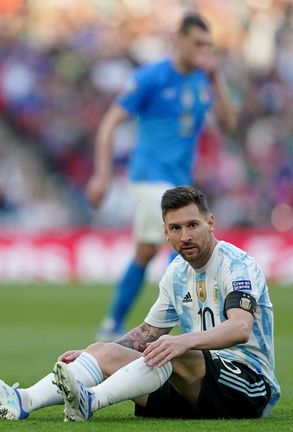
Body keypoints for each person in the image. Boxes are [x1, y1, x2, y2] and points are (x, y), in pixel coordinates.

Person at [0, 186, 278, 421]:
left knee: (171, 350)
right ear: (165, 233)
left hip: (247, 386)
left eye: (192, 225)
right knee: (105, 350)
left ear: (210, 223)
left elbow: (240, 327)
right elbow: (149, 333)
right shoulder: (176, 273)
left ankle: (92, 401)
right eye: (175, 228)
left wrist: (181, 343)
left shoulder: (237, 265)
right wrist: (97, 355)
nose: (185, 236)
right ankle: (21, 401)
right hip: (195, 387)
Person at [85, 12, 237, 341]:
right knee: (183, 244)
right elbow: (111, 121)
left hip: (180, 180)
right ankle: (185, 326)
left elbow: (228, 124)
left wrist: (216, 79)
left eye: (207, 45)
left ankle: (112, 323)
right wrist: (102, 175)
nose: (202, 51)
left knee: (145, 250)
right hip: (149, 176)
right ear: (179, 40)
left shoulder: (203, 80)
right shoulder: (152, 77)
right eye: (197, 43)